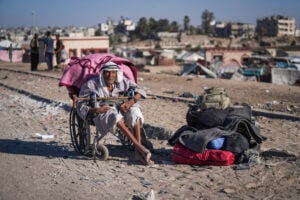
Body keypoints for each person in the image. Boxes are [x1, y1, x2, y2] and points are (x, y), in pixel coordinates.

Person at [77, 61, 152, 165]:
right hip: (103, 112)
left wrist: (130, 102)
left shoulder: (123, 82)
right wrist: (97, 110)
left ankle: (138, 151)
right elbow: (80, 105)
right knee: (114, 115)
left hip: (121, 108)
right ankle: (139, 148)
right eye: (107, 72)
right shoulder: (91, 85)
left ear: (117, 74)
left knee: (135, 111)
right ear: (102, 73)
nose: (110, 75)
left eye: (113, 73)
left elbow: (140, 90)